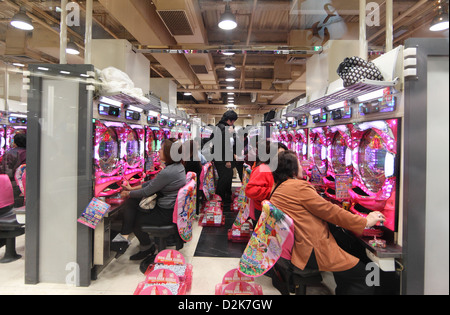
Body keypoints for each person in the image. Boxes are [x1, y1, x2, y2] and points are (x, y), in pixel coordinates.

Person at [270, 150, 385, 295]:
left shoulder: (279, 188)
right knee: (364, 274)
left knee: (346, 263)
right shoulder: (298, 187)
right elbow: (330, 211)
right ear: (291, 169)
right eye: (299, 163)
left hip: (297, 249)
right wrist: (365, 221)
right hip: (311, 250)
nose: (302, 167)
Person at [113, 138, 186, 260]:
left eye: (162, 149)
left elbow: (147, 191)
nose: (159, 151)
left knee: (135, 218)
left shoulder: (167, 172)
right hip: (172, 210)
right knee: (132, 203)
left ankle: (145, 246)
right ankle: (124, 236)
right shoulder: (178, 167)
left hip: (165, 214)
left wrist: (127, 194)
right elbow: (152, 184)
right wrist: (131, 189)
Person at [245, 141, 287, 222]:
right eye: (279, 154)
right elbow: (250, 190)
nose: (283, 157)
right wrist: (274, 191)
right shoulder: (263, 169)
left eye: (285, 154)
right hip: (264, 211)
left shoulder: (283, 170)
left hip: (279, 210)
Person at [210, 110, 238, 206]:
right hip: (222, 159)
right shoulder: (223, 129)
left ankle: (224, 198)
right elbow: (224, 145)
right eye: (233, 121)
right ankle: (220, 198)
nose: (233, 123)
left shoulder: (219, 127)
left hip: (220, 158)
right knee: (224, 179)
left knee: (226, 178)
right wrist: (227, 160)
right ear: (229, 120)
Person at [0, 133, 26, 207]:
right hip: (26, 184)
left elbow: (6, 171)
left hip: (13, 185)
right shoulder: (31, 152)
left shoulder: (10, 153)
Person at [181, 140, 203, 214]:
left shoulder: (191, 160)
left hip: (190, 185)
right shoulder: (194, 158)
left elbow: (183, 173)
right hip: (195, 183)